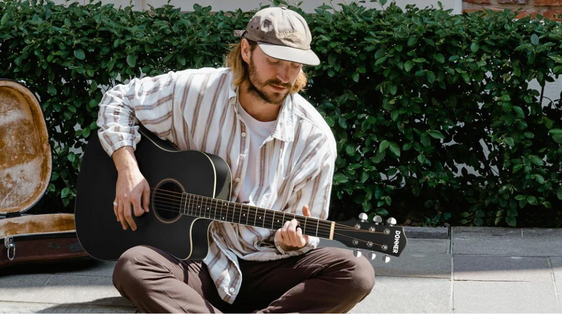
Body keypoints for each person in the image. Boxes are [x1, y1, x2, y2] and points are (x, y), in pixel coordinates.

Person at [97, 6, 375, 313]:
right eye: (274, 61)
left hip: (268, 269)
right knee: (133, 266)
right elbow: (119, 99)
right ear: (246, 50)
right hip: (197, 262)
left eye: (295, 65)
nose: (284, 76)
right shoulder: (196, 92)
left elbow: (304, 234)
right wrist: (128, 169)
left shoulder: (314, 139)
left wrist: (292, 241)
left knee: (356, 274)